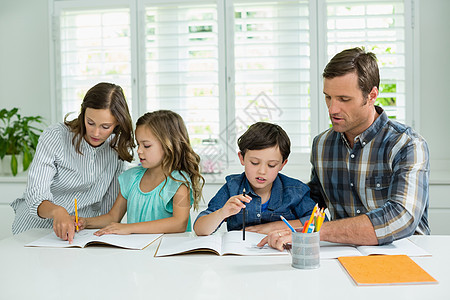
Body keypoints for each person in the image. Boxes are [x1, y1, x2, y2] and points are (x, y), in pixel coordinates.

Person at [259, 47, 430, 250]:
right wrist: (262, 217)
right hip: (343, 257)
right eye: (328, 97)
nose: (332, 109)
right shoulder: (322, 145)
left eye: (344, 99)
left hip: (406, 257)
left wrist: (316, 231)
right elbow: (313, 205)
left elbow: (401, 217)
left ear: (371, 95)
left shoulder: (407, 144)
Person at [11, 82, 135, 242]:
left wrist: (87, 225)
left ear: (118, 123)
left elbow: (109, 213)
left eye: (105, 126)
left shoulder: (117, 149)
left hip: (78, 235)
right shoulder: (56, 136)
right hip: (34, 230)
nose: (96, 132)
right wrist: (58, 211)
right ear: (83, 114)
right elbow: (36, 195)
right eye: (90, 122)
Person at [76, 110, 204, 235]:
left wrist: (129, 228)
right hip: (137, 252)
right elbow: (113, 217)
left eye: (146, 146)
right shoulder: (131, 178)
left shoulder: (178, 182)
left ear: (169, 145)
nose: (139, 151)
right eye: (138, 145)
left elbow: (179, 223)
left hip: (166, 253)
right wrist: (85, 222)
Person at [194, 122, 316, 236]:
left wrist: (268, 228)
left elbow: (317, 222)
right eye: (254, 162)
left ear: (282, 164)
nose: (262, 171)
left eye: (271, 165)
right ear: (241, 158)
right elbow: (199, 229)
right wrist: (222, 213)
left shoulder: (295, 191)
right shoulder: (232, 188)